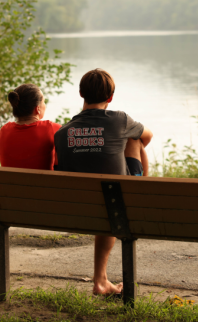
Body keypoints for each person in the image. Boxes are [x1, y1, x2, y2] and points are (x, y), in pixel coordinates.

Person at [54, 69, 153, 295]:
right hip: (117, 201)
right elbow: (147, 136)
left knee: (104, 195)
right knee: (134, 141)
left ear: (81, 93)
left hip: (77, 206)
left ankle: (101, 281)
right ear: (110, 98)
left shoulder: (61, 133)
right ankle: (141, 194)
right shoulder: (120, 119)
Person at [0, 83, 61, 169]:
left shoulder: (4, 130)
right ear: (38, 108)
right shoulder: (52, 128)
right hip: (43, 182)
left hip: (9, 182)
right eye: (44, 102)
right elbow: (61, 161)